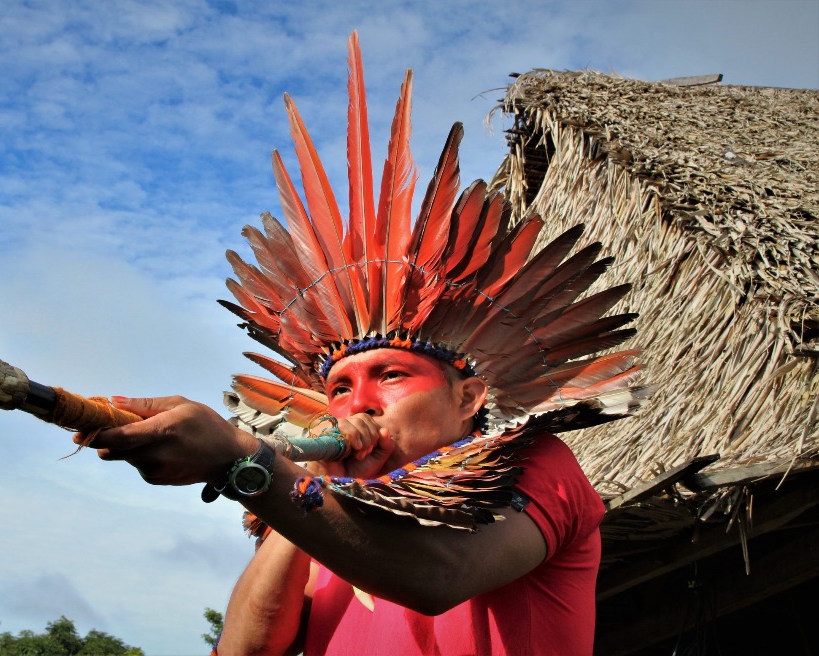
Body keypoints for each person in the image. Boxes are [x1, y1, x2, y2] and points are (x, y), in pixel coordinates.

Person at [78, 31, 643, 656]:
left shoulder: (539, 466)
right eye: (340, 387)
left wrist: (244, 459)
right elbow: (244, 651)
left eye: (391, 375)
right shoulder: (322, 509)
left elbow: (438, 577)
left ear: (468, 398)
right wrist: (307, 480)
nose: (358, 403)